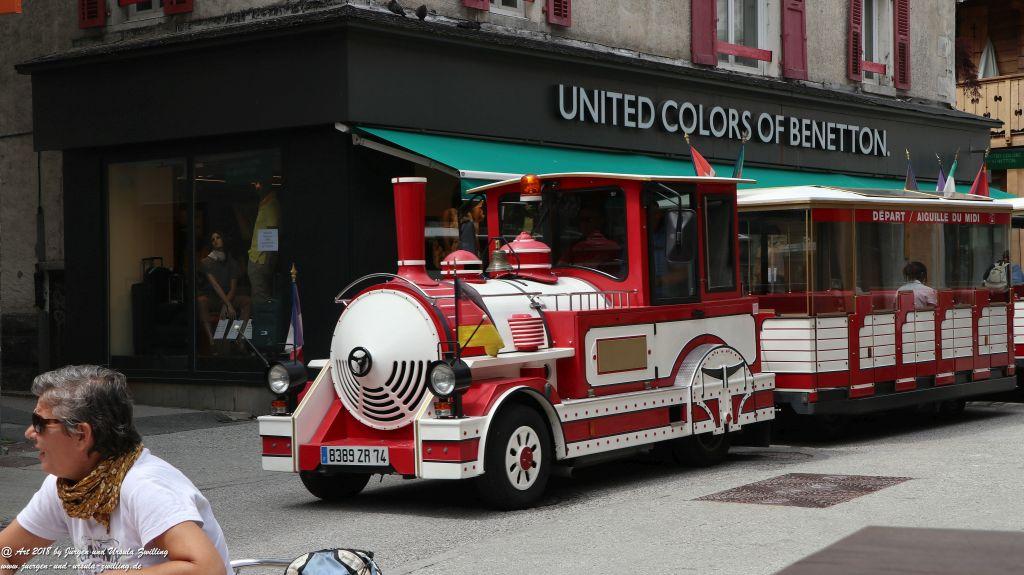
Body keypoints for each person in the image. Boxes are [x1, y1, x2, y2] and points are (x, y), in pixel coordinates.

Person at [0, 366, 230, 575]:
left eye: (40, 423)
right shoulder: (66, 484)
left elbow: (207, 568)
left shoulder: (145, 485)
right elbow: (6, 554)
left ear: (81, 434)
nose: (30, 432)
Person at [197, 231, 250, 348]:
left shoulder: (232, 262)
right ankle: (211, 341)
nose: (215, 240)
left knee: (247, 301)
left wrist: (226, 304)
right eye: (213, 239)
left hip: (228, 296)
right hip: (213, 297)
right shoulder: (206, 262)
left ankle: (240, 340)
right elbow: (215, 285)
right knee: (201, 301)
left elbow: (233, 288)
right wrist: (227, 305)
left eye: (218, 237)